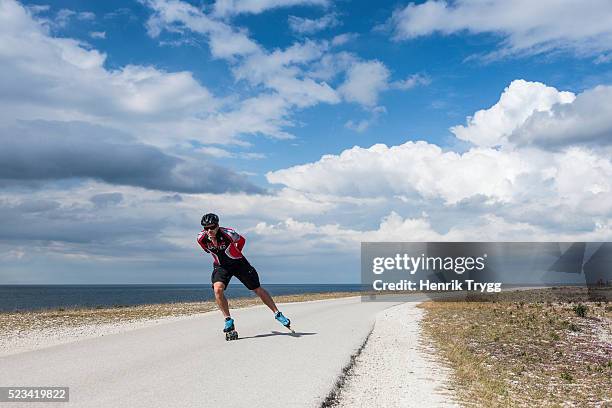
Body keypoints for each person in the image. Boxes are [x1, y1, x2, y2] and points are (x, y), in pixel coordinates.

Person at [197, 213, 291, 336]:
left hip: (239, 263)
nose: (209, 230)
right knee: (217, 289)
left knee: (256, 288)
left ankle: (277, 314)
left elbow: (241, 240)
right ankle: (228, 320)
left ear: (217, 225)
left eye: (212, 227)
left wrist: (236, 253)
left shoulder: (228, 233)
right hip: (221, 266)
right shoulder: (201, 238)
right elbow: (207, 250)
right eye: (206, 228)